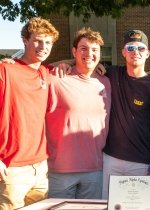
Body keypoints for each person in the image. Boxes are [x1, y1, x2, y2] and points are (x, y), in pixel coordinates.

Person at [0, 17, 59, 209]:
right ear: (25, 40)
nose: (43, 46)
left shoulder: (45, 72)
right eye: (38, 40)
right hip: (11, 167)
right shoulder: (5, 70)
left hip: (40, 166)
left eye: (48, 42)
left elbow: (67, 64)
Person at [45, 28, 111, 199]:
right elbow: (32, 69)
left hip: (95, 169)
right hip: (60, 170)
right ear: (74, 52)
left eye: (94, 50)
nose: (89, 53)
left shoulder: (106, 82)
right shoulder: (56, 78)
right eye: (83, 48)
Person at [101, 30, 150, 198]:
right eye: (130, 47)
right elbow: (84, 63)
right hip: (111, 159)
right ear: (123, 52)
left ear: (148, 53)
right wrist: (68, 63)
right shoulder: (112, 74)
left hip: (141, 162)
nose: (135, 52)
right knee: (109, 206)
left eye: (141, 48)